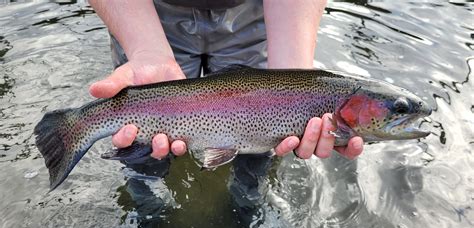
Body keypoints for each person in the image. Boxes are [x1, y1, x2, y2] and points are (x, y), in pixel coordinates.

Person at [88, 0, 364, 161]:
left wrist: (293, 71)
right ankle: (145, 199)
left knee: (265, 142)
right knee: (144, 148)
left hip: (266, 9)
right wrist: (146, 49)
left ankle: (247, 199)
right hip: (142, 10)